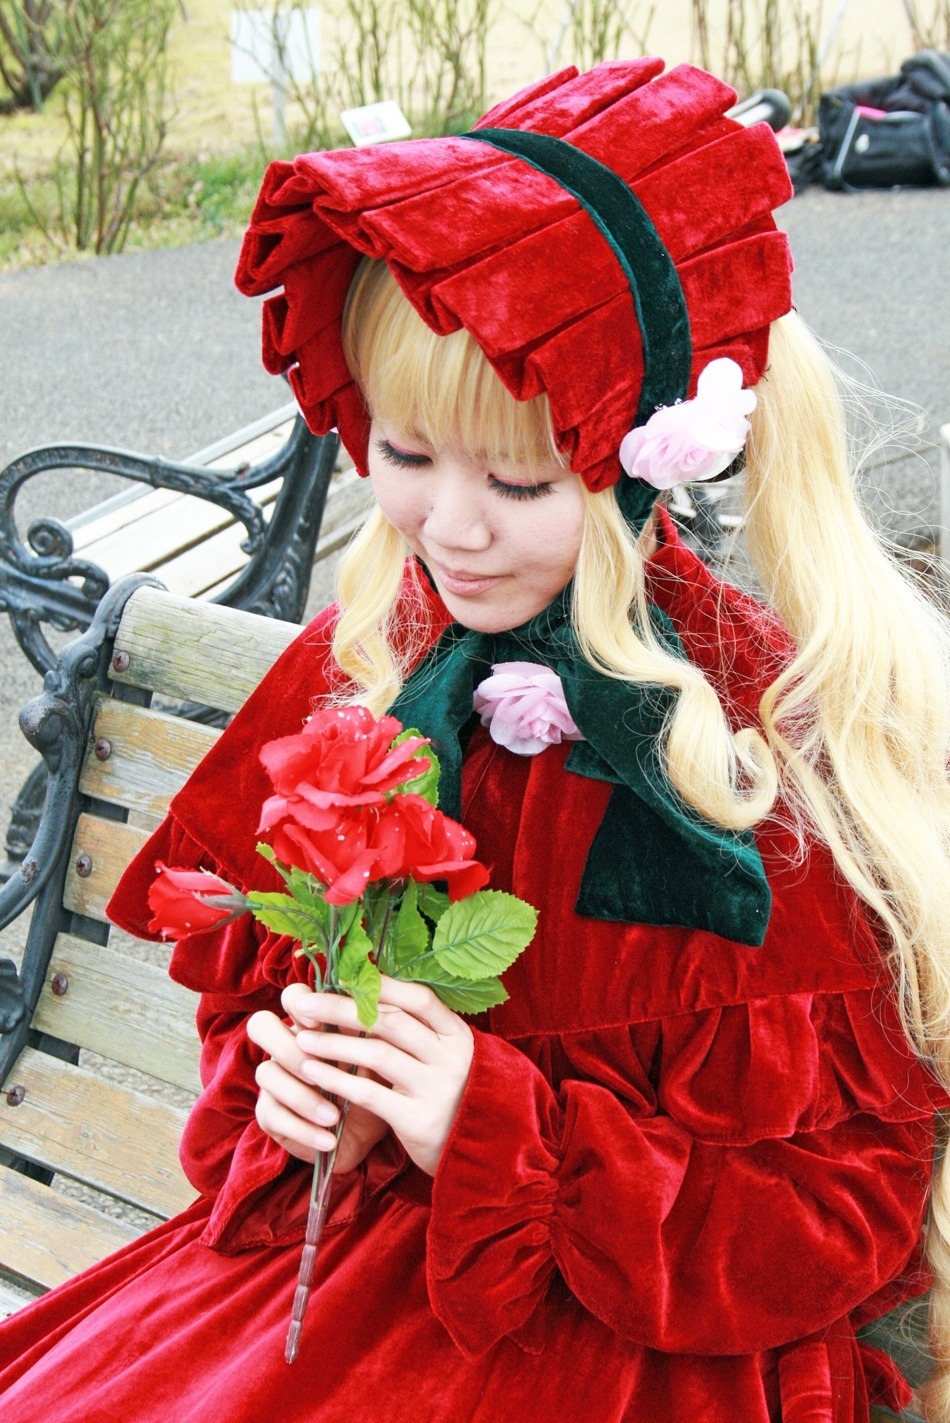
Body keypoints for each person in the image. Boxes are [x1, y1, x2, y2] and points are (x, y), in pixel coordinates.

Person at [0, 56, 949, 1423]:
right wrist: (300, 1103)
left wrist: (500, 1129)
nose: (448, 527)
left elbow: (825, 1226)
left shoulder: (744, 745)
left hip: (622, 1358)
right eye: (402, 453)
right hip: (340, 1297)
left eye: (516, 477)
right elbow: (246, 1033)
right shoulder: (378, 667)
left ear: (646, 449)